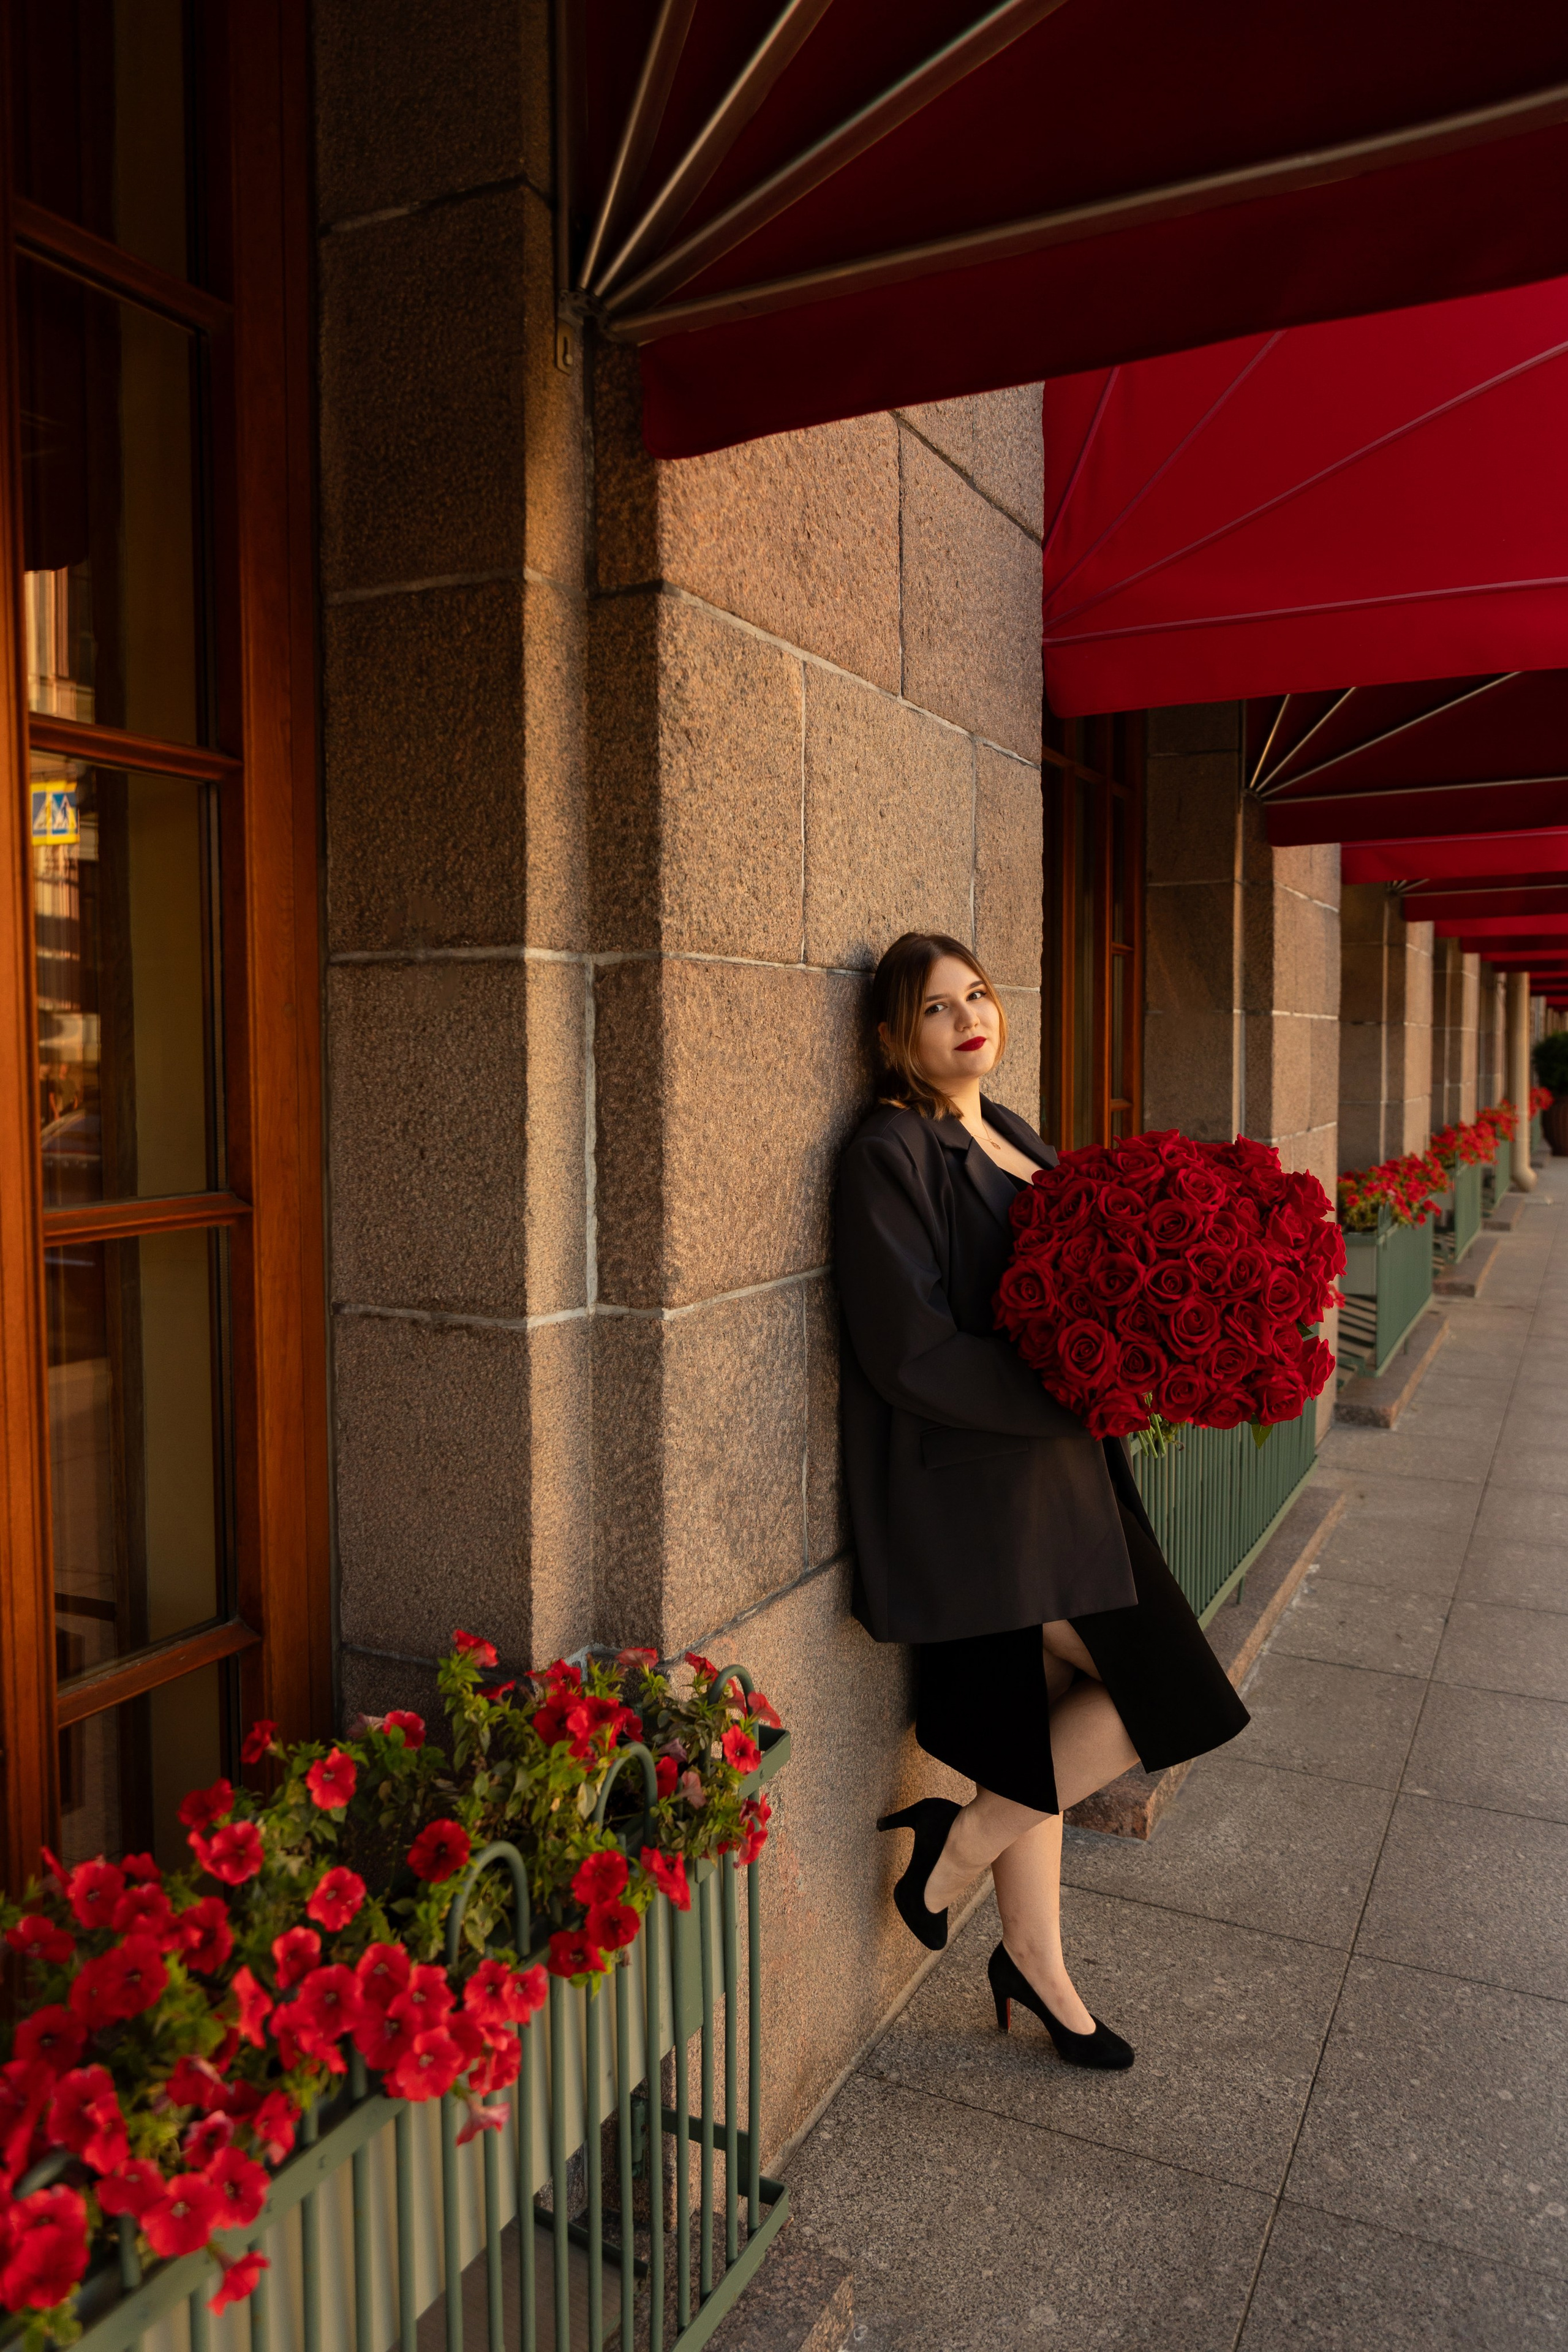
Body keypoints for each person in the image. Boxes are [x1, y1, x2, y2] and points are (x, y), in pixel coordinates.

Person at [835, 932, 1249, 2070]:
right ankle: (957, 1851)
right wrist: (1075, 1385)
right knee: (1166, 1691)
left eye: (978, 996)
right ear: (891, 1038)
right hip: (986, 1498)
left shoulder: (1010, 1132)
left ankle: (1030, 1954)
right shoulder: (891, 1153)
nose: (970, 1019)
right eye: (936, 1008)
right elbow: (908, 1352)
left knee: (1056, 1722)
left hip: (1064, 1481)